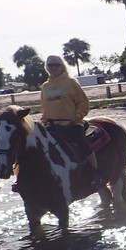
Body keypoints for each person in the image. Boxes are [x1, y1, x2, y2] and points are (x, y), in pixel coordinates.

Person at [39, 55, 104, 189]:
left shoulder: (71, 82)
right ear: (46, 67)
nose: (53, 68)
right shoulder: (45, 87)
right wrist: (43, 122)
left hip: (72, 124)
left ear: (62, 66)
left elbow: (83, 103)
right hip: (52, 126)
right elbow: (45, 108)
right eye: (50, 65)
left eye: (56, 65)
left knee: (82, 143)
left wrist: (77, 117)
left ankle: (95, 174)